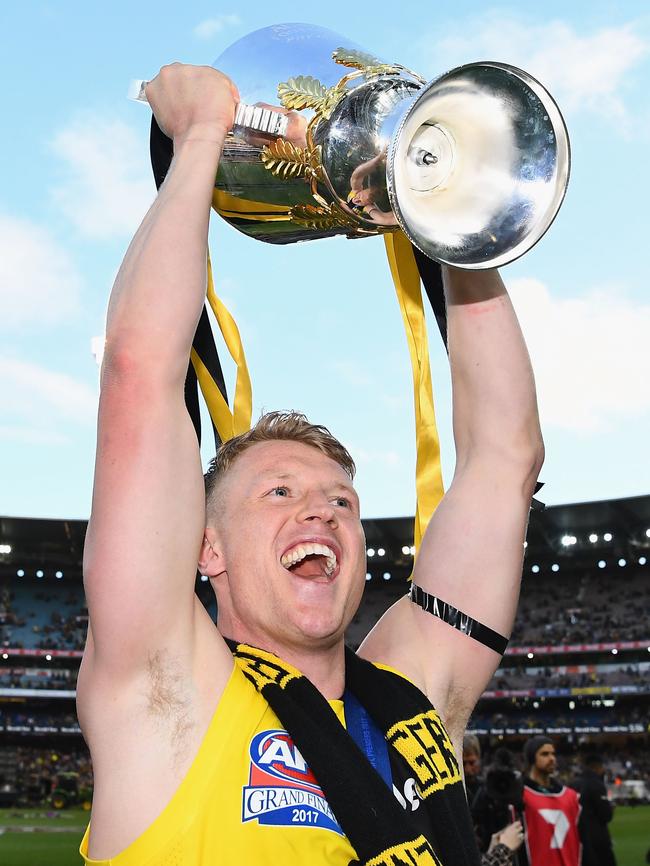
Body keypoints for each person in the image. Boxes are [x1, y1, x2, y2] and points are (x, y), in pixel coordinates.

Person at [76, 64, 544, 865]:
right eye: (280, 492)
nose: (323, 511)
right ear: (206, 548)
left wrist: (445, 205)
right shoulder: (166, 691)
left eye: (342, 501)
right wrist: (195, 140)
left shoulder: (411, 696)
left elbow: (506, 456)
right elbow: (140, 375)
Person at [522, 737, 581, 866]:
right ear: (532, 758)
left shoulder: (570, 796)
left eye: (553, 754)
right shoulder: (520, 795)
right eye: (544, 754)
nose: (552, 758)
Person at [572, 754, 616, 866]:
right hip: (597, 839)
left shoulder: (572, 784)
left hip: (578, 837)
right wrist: (610, 808)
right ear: (597, 767)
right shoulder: (597, 784)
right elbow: (606, 815)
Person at [463, 733, 485, 806]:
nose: (467, 769)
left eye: (472, 763)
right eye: (463, 763)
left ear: (479, 759)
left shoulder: (486, 787)